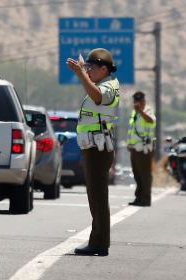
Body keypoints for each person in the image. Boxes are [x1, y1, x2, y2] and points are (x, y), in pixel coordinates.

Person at [66, 48, 119, 256]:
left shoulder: (109, 87)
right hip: (93, 147)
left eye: (91, 68)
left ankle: (99, 242)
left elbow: (97, 97)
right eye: (86, 67)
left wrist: (80, 74)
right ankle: (98, 240)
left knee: (98, 196)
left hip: (98, 148)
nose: (88, 71)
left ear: (103, 69)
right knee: (95, 195)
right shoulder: (102, 84)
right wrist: (84, 74)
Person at [127, 91, 156, 207]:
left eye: (139, 101)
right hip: (134, 148)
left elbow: (151, 120)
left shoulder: (147, 111)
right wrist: (129, 144)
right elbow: (132, 130)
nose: (137, 103)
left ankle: (146, 199)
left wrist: (140, 110)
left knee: (145, 175)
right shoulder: (134, 113)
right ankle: (138, 197)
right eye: (135, 101)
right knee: (137, 174)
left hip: (144, 149)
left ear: (144, 101)